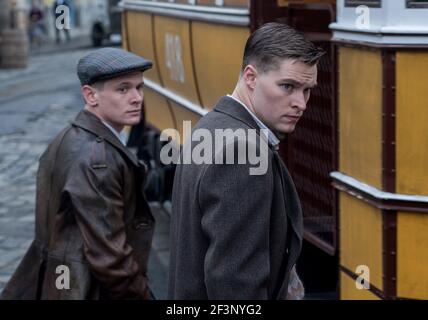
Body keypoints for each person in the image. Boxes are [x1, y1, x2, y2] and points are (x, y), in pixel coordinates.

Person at [168, 23, 325, 299]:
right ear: (251, 77)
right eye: (287, 86)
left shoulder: (211, 125)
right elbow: (236, 286)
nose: (301, 103)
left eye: (307, 90)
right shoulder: (243, 153)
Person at [0, 48, 155, 300]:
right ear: (90, 95)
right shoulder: (97, 160)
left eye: (139, 87)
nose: (137, 98)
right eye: (123, 89)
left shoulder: (69, 137)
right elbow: (111, 260)